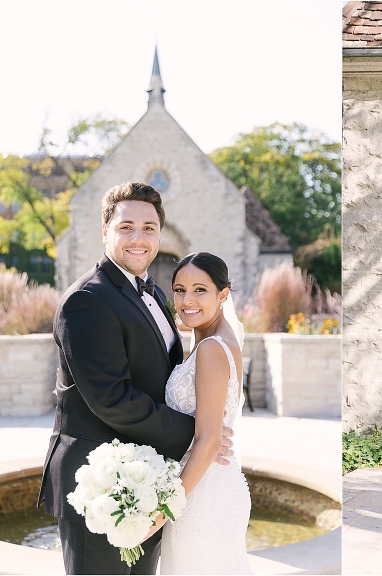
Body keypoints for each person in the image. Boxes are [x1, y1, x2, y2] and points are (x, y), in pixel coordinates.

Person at [38, 182, 233, 574]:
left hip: (150, 480)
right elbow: (112, 398)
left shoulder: (156, 294)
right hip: (99, 484)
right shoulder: (87, 301)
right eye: (127, 227)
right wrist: (195, 434)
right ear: (106, 231)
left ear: (160, 233)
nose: (139, 238)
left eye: (149, 228)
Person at [146, 252, 252, 574]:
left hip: (203, 495)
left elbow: (207, 442)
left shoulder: (210, 349)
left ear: (223, 295)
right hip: (205, 484)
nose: (186, 300)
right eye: (179, 290)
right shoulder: (212, 340)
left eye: (199, 290)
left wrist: (162, 511)